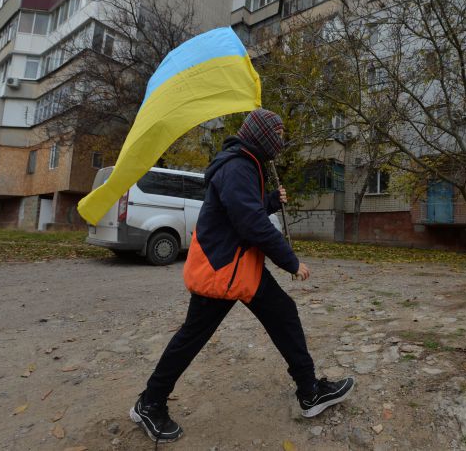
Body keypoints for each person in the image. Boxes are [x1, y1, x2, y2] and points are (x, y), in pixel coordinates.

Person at [129, 108, 355, 443]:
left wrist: (270, 202)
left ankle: (309, 392)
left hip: (240, 266)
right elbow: (250, 223)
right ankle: (149, 403)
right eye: (277, 134)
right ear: (262, 136)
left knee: (284, 315)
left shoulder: (246, 164)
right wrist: (291, 261)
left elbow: (244, 209)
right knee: (192, 336)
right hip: (223, 268)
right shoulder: (238, 166)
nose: (281, 141)